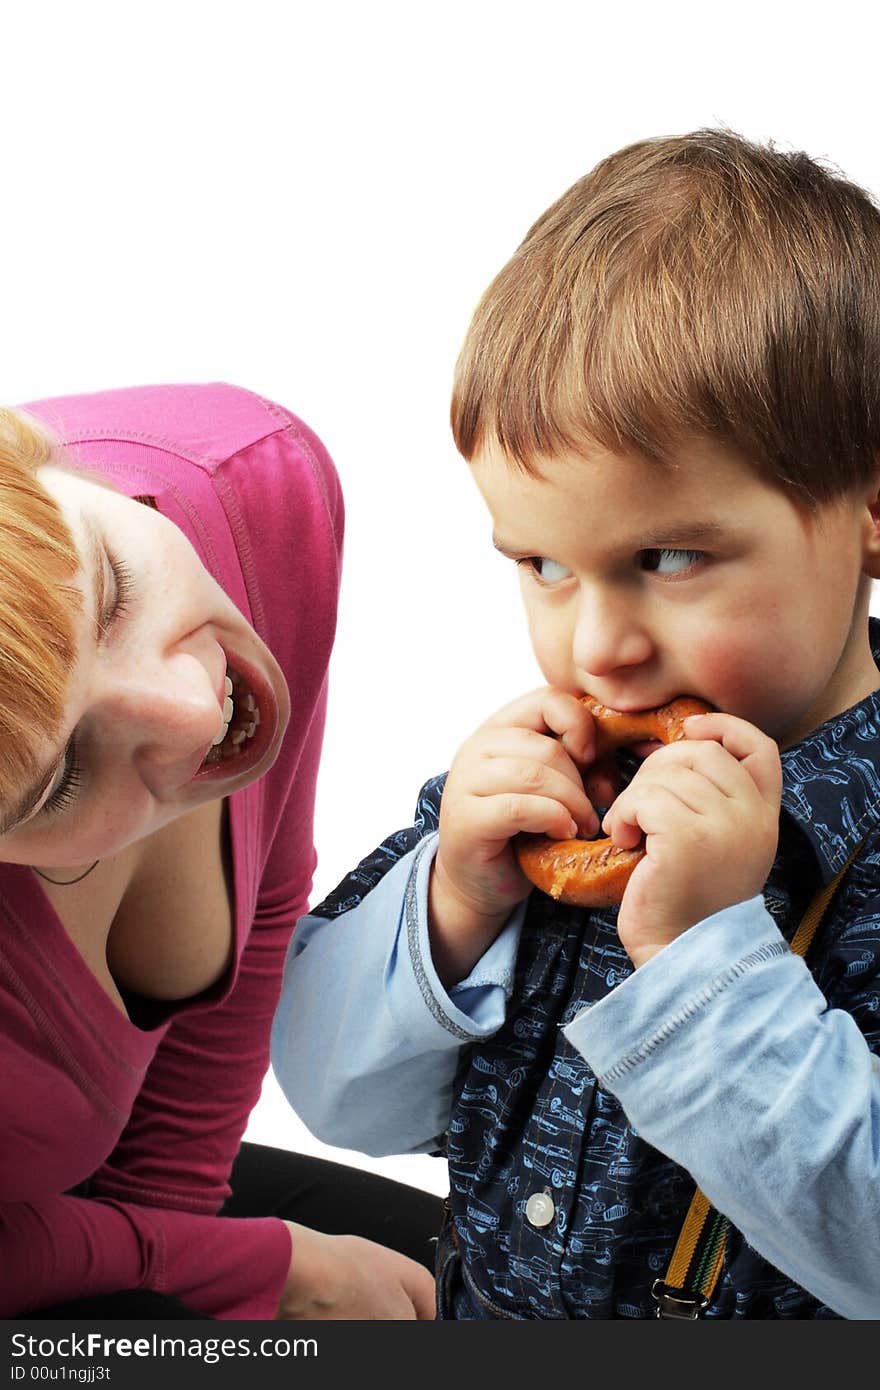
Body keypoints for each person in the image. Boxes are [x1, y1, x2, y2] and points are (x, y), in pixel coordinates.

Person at [271, 131, 880, 1320]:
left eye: (666, 557)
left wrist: (709, 951)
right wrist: (450, 909)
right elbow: (338, 1097)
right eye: (544, 562)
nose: (595, 645)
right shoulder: (543, 790)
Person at [0, 382, 440, 1321]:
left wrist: (187, 1254)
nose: (195, 711)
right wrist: (256, 1274)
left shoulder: (246, 478)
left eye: (112, 589)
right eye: (63, 776)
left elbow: (269, 887)